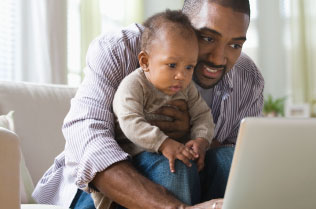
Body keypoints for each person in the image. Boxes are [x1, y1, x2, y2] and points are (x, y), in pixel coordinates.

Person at [33, 0, 264, 208]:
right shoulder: (119, 49)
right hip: (102, 189)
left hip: (194, 183)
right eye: (207, 38)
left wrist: (193, 137)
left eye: (235, 45)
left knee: (229, 160)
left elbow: (240, 162)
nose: (218, 59)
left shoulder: (248, 78)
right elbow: (89, 142)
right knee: (174, 167)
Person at [92, 10, 215, 209]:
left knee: (190, 162)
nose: (181, 76)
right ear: (145, 62)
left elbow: (203, 115)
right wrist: (163, 142)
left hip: (169, 151)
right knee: (176, 167)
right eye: (172, 65)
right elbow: (129, 121)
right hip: (136, 157)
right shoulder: (134, 85)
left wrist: (201, 139)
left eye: (189, 67)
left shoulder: (187, 88)